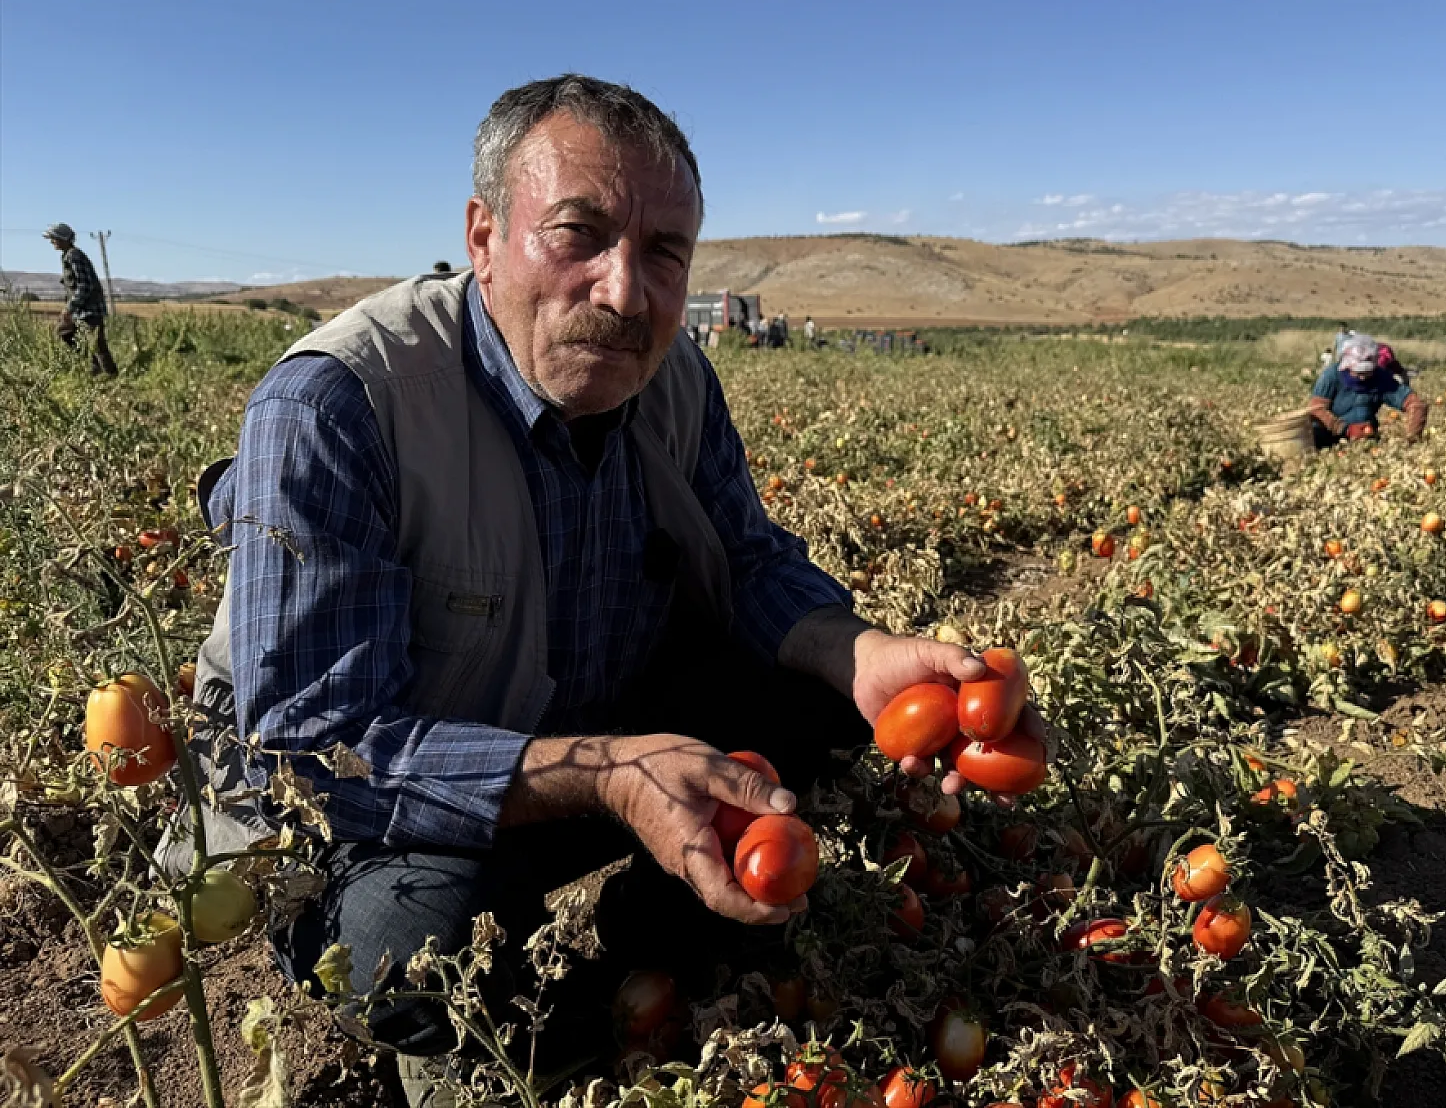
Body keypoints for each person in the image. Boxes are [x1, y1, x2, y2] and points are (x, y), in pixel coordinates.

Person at [180, 74, 1051, 1101]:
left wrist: (859, 653)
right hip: (392, 805)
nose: (626, 293)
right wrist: (606, 774)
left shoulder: (673, 379)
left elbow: (749, 558)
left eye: (664, 253)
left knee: (819, 689)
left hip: (600, 730)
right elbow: (319, 749)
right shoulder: (342, 404)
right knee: (400, 947)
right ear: (484, 237)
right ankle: (561, 1026)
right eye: (579, 235)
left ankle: (657, 926)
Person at [1306, 332, 1427, 446]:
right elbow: (1316, 409)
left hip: (1365, 439)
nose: (1363, 377)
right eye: (1358, 372)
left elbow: (1415, 404)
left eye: (1367, 371)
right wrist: (1344, 429)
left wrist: (1412, 439)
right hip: (1328, 436)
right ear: (1347, 365)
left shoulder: (1380, 378)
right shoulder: (1331, 376)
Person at [42, 223, 116, 375]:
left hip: (89, 309)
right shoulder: (67, 255)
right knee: (64, 332)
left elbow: (85, 285)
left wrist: (70, 308)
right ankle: (94, 369)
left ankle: (111, 376)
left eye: (54, 238)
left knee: (97, 344)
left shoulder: (73, 255)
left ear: (63, 238)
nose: (52, 242)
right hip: (80, 310)